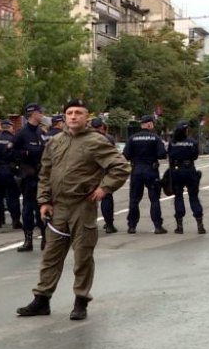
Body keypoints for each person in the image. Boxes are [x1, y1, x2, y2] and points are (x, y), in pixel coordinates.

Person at [16, 99, 130, 320]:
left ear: (86, 116)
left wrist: (104, 189)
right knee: (50, 255)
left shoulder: (96, 141)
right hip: (58, 207)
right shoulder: (55, 141)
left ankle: (81, 301)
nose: (73, 116)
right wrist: (44, 201)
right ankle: (42, 299)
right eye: (69, 113)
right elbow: (45, 172)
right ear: (64, 116)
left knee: (82, 256)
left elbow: (120, 167)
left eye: (78, 112)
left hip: (82, 206)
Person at [122, 115, 168, 234]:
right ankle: (158, 226)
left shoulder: (132, 138)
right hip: (151, 170)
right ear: (149, 124)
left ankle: (132, 226)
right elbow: (162, 154)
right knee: (154, 199)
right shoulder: (155, 138)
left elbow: (125, 155)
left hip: (136, 170)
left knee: (134, 199)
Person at [13, 103, 46, 252]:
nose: (42, 114)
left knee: (43, 206)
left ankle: (45, 237)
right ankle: (28, 240)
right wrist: (26, 154)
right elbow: (10, 152)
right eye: (40, 112)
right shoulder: (22, 133)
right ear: (33, 114)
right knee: (28, 208)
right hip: (27, 176)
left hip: (41, 176)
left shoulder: (40, 131)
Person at [167, 121, 206, 234]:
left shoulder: (172, 142)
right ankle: (200, 225)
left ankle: (179, 226)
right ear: (185, 130)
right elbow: (195, 156)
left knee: (178, 196)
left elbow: (170, 155)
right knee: (193, 196)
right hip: (190, 170)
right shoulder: (192, 142)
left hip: (177, 170)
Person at [0, 119, 21, 229]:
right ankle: (15, 220)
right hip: (10, 170)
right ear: (11, 127)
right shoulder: (14, 140)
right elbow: (18, 155)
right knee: (12, 197)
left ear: (2, 127)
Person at [90, 118, 119, 234]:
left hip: (90, 171)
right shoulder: (109, 138)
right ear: (102, 126)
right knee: (106, 196)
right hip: (105, 169)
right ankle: (109, 224)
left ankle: (89, 224)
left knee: (88, 198)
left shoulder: (87, 138)